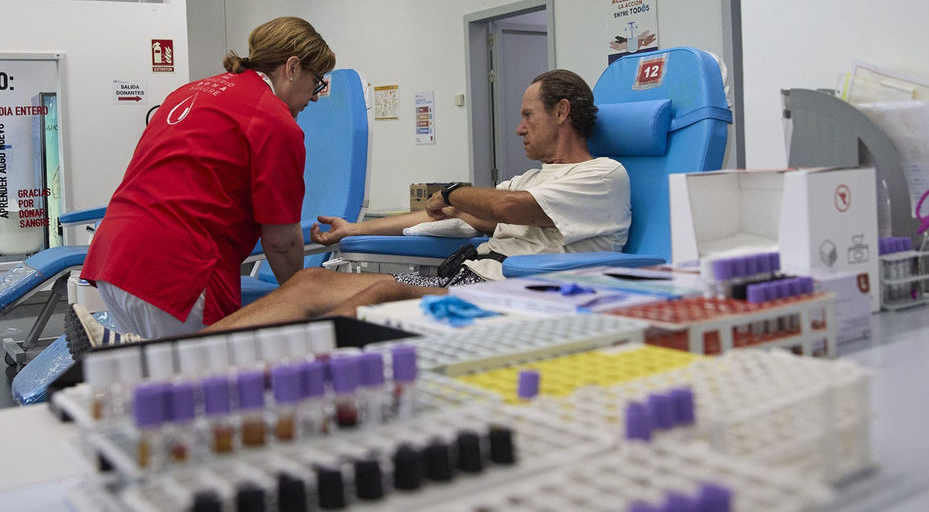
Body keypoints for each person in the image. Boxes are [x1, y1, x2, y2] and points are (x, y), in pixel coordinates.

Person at [66, 69, 631, 353]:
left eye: (529, 115)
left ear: (562, 112)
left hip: (513, 291)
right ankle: (163, 356)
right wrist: (356, 228)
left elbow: (506, 207)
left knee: (380, 294)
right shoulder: (531, 175)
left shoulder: (602, 176)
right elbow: (444, 218)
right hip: (459, 273)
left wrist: (455, 189)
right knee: (312, 281)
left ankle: (187, 369)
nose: (518, 127)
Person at [77, 17, 335, 339]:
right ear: (293, 67)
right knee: (202, 383)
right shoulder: (275, 122)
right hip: (175, 274)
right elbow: (281, 242)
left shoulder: (188, 92)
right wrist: (302, 298)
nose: (314, 96)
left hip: (113, 259)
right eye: (318, 81)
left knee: (156, 375)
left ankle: (113, 354)